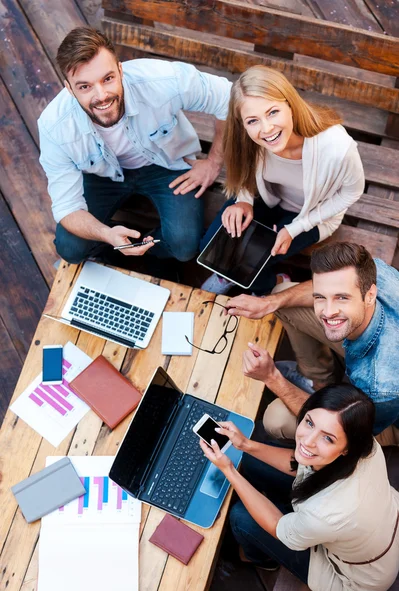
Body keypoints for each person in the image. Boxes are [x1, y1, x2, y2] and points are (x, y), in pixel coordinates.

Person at [38, 27, 232, 264]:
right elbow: (67, 207)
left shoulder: (162, 80)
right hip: (102, 177)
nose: (102, 96)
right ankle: (114, 249)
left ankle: (137, 254)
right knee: (70, 248)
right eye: (85, 86)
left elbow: (228, 98)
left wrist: (213, 163)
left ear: (121, 69)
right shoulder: (53, 126)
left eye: (108, 79)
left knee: (184, 247)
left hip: (165, 164)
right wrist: (107, 235)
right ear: (69, 88)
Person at [200, 385, 399, 591]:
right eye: (310, 422)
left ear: (346, 449)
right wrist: (246, 445)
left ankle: (264, 561)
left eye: (328, 438)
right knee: (250, 460)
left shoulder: (325, 514)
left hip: (353, 579)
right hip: (374, 529)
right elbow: (299, 465)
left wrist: (228, 469)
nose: (308, 441)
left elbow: (278, 526)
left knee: (240, 517)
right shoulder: (366, 447)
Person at [200, 65, 364, 295]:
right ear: (243, 124)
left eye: (272, 112)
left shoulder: (337, 146)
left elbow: (353, 192)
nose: (266, 129)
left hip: (311, 215)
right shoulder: (248, 138)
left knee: (252, 263)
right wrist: (244, 200)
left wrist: (295, 228)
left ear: (290, 103)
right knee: (211, 248)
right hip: (268, 199)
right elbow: (246, 171)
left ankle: (274, 284)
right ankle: (227, 275)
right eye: (253, 120)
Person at [224, 242, 399, 444]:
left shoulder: (383, 385)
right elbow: (327, 288)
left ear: (370, 295)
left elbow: (350, 432)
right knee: (282, 293)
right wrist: (267, 303)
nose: (327, 311)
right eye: (320, 297)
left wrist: (272, 378)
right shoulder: (373, 270)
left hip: (380, 422)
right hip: (367, 347)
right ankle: (318, 382)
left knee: (276, 419)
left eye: (342, 297)